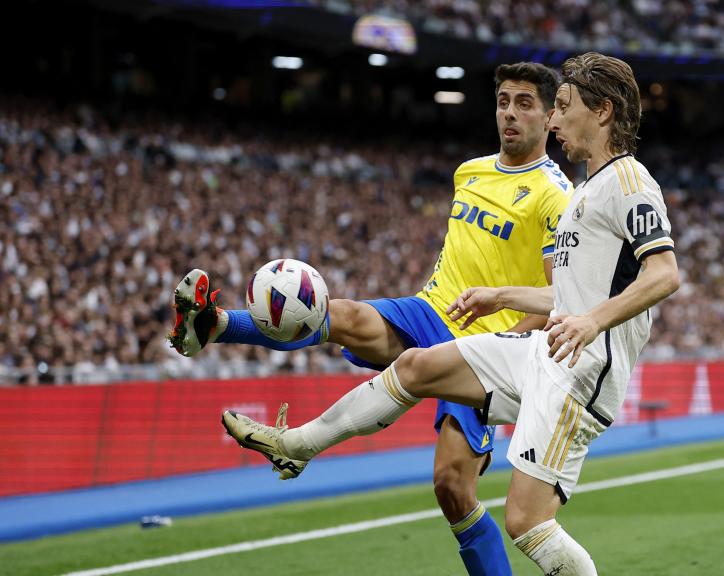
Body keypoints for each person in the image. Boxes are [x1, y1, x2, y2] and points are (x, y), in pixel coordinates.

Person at [222, 52, 680, 575]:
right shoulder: (583, 194)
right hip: (545, 351)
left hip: (581, 372)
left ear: (602, 111)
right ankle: (298, 445)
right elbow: (571, 297)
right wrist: (502, 296)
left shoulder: (629, 183)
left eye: (562, 108)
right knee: (419, 367)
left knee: (527, 523)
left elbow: (664, 274)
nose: (553, 121)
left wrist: (593, 321)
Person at [168, 62, 572, 576]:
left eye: (524, 104)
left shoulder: (556, 196)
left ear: (548, 116)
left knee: (451, 487)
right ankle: (213, 325)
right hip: (430, 309)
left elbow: (557, 295)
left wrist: (513, 342)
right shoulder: (469, 172)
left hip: (483, 350)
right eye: (503, 101)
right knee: (341, 315)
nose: (510, 114)